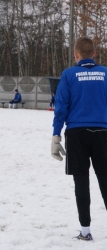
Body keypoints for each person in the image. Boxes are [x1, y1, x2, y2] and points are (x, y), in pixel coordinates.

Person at [51, 36, 107, 241]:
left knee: (81, 183)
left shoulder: (68, 75)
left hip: (76, 135)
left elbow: (61, 107)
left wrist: (55, 136)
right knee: (106, 180)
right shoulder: (105, 74)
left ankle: (85, 231)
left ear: (76, 55)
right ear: (94, 54)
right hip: (102, 133)